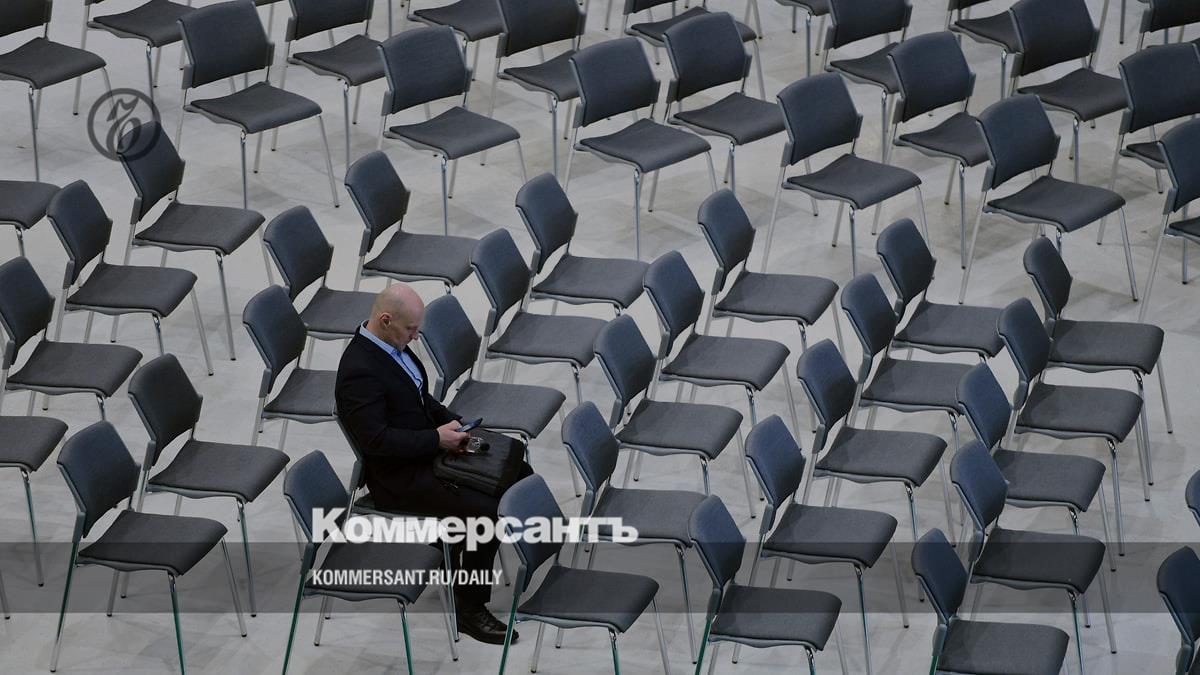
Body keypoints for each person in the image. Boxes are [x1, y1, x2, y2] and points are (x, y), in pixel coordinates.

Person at [335, 283, 526, 644]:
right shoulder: (359, 371)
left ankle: (452, 550)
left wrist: (454, 424)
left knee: (517, 469)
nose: (416, 335)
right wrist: (436, 439)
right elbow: (376, 442)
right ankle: (468, 606)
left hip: (426, 451)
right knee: (486, 512)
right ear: (385, 320)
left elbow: (421, 399)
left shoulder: (395, 345)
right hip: (399, 476)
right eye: (411, 329)